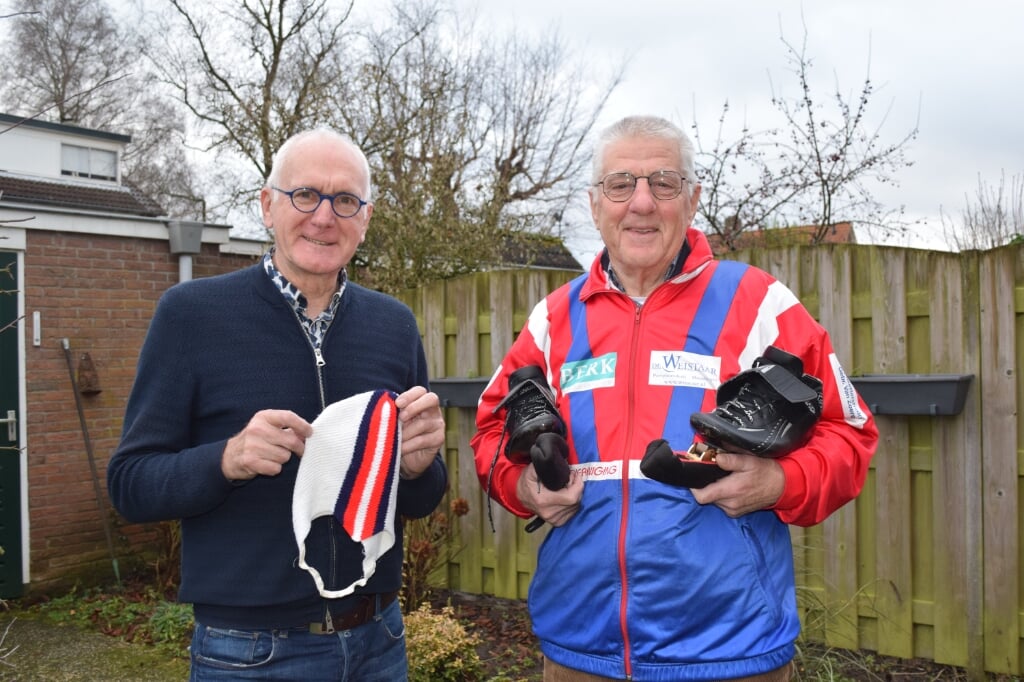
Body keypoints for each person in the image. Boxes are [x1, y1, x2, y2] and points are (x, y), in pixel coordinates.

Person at [471, 115, 878, 682]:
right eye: (620, 185)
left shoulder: (758, 303)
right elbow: (490, 434)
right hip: (578, 651)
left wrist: (779, 483)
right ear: (595, 204)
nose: (641, 203)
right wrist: (522, 487)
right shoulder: (554, 319)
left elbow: (850, 434)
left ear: (692, 201)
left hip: (729, 654)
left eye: (663, 183)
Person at [107, 128, 448, 681]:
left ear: (365, 219)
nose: (323, 217)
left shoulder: (394, 326)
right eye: (305, 195)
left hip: (379, 640)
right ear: (268, 206)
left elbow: (421, 497)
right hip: (248, 653)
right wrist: (226, 460)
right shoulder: (191, 316)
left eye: (345, 201)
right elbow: (130, 483)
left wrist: (416, 468)